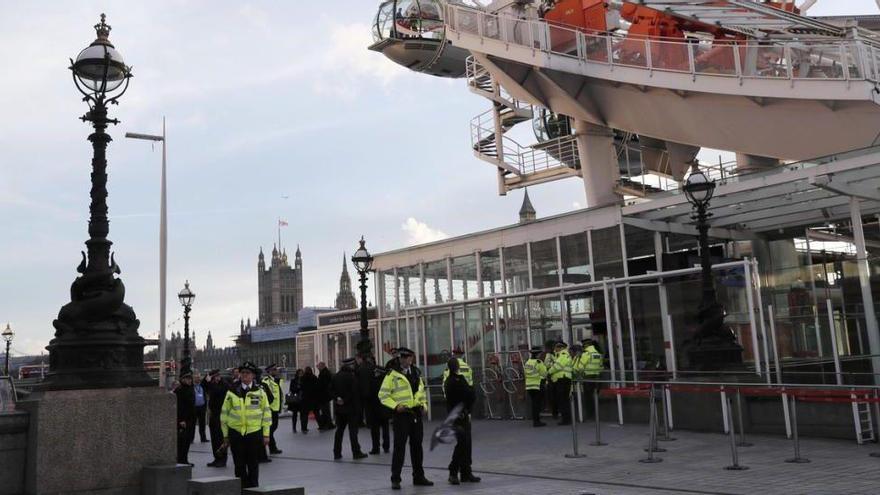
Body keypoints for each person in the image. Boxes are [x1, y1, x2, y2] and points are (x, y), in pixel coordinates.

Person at [378, 347, 433, 490]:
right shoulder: (392, 375)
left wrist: (424, 407)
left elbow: (421, 393)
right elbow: (383, 395)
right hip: (401, 415)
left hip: (415, 414)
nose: (410, 360)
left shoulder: (416, 373)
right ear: (401, 358)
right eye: (408, 358)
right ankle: (395, 479)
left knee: (417, 447)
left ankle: (419, 476)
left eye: (411, 358)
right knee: (399, 448)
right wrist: (396, 406)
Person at [220, 361, 272, 489]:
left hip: (254, 433)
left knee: (253, 464)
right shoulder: (232, 391)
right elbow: (224, 415)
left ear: (253, 375)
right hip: (236, 433)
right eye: (242, 373)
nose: (244, 375)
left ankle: (254, 489)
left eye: (247, 373)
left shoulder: (260, 392)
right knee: (239, 464)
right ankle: (242, 489)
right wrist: (226, 436)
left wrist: (266, 434)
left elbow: (266, 414)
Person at [444, 357, 481, 485]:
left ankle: (466, 472)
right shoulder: (451, 381)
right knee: (462, 443)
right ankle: (453, 471)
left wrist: (467, 403)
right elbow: (467, 394)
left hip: (463, 414)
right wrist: (468, 396)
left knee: (466, 444)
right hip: (457, 416)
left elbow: (470, 394)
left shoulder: (458, 380)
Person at [332, 357, 368, 460]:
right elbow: (354, 392)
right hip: (351, 409)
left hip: (339, 409)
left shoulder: (336, 376)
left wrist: (337, 399)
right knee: (353, 432)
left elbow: (330, 390)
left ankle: (337, 452)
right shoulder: (352, 377)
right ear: (351, 365)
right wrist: (345, 400)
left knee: (339, 431)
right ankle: (356, 452)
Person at [364, 358, 390, 454]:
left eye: (376, 372)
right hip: (385, 410)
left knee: (375, 431)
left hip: (375, 410)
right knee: (385, 429)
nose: (375, 373)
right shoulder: (387, 382)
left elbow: (368, 394)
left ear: (379, 372)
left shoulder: (373, 382)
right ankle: (386, 447)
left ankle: (376, 448)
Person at [204, 369, 230, 467]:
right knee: (214, 438)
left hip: (221, 415)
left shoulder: (224, 385)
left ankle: (222, 459)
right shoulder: (213, 384)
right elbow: (204, 385)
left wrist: (210, 382)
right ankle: (216, 458)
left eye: (215, 377)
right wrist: (207, 380)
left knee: (220, 438)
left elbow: (216, 392)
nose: (215, 379)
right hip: (213, 414)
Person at [575, 339, 604, 419]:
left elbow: (580, 367)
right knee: (594, 396)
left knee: (588, 398)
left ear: (586, 345)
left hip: (587, 378)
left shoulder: (586, 354)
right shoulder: (598, 354)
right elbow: (601, 367)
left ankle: (589, 415)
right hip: (597, 378)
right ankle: (595, 414)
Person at [548, 341, 574, 426]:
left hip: (562, 380)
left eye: (556, 348)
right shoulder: (562, 355)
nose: (555, 349)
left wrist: (549, 372)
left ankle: (566, 420)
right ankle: (566, 419)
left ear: (560, 348)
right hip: (563, 379)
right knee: (564, 400)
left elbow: (557, 366)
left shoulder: (563, 355)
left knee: (563, 400)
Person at [174, 370, 196, 466]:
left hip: (190, 418)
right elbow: (179, 406)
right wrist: (181, 419)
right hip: (183, 419)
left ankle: (185, 459)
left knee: (187, 441)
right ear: (182, 379)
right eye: (187, 378)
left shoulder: (190, 388)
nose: (189, 380)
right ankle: (181, 460)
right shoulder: (179, 390)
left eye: (190, 378)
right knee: (182, 441)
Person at [262, 364, 284, 456]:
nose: (276, 371)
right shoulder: (266, 381)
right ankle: (272, 448)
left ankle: (271, 447)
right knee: (271, 429)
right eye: (274, 369)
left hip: (276, 408)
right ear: (269, 371)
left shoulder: (277, 380)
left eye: (276, 369)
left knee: (273, 428)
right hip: (270, 408)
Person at [524, 346, 548, 427]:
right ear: (538, 354)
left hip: (529, 386)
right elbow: (544, 373)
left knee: (534, 404)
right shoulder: (539, 362)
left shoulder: (528, 362)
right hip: (537, 385)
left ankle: (535, 420)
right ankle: (537, 421)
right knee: (537, 404)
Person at [301, 366, 320, 433]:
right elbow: (317, 387)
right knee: (316, 412)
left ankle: (304, 428)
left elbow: (301, 387)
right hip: (313, 398)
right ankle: (320, 425)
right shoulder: (314, 377)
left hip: (305, 398)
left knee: (305, 414)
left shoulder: (302, 378)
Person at [316, 362, 335, 431]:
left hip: (324, 395)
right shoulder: (325, 373)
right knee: (326, 410)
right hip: (325, 395)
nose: (318, 368)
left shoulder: (324, 374)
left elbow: (322, 385)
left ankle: (328, 424)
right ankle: (328, 424)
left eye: (318, 366)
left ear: (322, 366)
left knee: (325, 410)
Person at [287, 369, 306, 433]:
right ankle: (294, 428)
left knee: (302, 414)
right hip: (295, 400)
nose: (300, 375)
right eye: (299, 373)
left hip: (302, 400)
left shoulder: (304, 380)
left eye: (302, 373)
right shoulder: (293, 380)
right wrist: (298, 388)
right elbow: (291, 389)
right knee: (294, 414)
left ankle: (303, 428)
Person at [543, 340, 558, 419]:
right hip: (551, 379)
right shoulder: (548, 355)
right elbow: (546, 364)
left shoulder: (554, 354)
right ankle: (554, 413)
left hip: (555, 378)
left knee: (554, 396)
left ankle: (555, 412)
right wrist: (555, 364)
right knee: (553, 397)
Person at [193, 372, 208, 443]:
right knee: (192, 424)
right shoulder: (191, 386)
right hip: (194, 408)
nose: (198, 379)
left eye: (199, 377)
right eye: (196, 377)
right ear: (193, 378)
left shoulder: (202, 385)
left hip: (202, 407)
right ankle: (191, 439)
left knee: (202, 424)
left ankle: (203, 438)